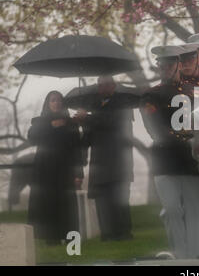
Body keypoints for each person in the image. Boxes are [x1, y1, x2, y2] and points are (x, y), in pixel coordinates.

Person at [140, 45, 199, 259]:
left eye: (170, 64)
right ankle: (180, 255)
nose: (165, 68)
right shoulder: (150, 95)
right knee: (172, 210)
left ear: (179, 65)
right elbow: (155, 130)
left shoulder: (196, 92)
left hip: (192, 161)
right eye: (161, 65)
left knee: (196, 210)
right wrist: (187, 140)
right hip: (166, 161)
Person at [72, 75, 140, 241]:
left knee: (120, 200)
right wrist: (81, 124)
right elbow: (87, 139)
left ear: (114, 86)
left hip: (119, 162)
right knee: (102, 200)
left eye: (107, 85)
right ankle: (107, 234)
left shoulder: (123, 104)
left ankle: (123, 234)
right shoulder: (94, 108)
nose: (103, 88)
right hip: (99, 163)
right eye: (100, 85)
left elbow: (110, 121)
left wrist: (86, 118)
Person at [27, 91, 84, 245]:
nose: (56, 103)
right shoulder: (39, 122)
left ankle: (71, 240)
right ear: (48, 103)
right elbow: (32, 139)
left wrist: (79, 173)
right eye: (53, 100)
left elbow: (77, 149)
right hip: (44, 169)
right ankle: (51, 238)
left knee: (67, 203)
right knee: (48, 202)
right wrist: (51, 126)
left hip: (66, 168)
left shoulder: (71, 123)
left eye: (59, 100)